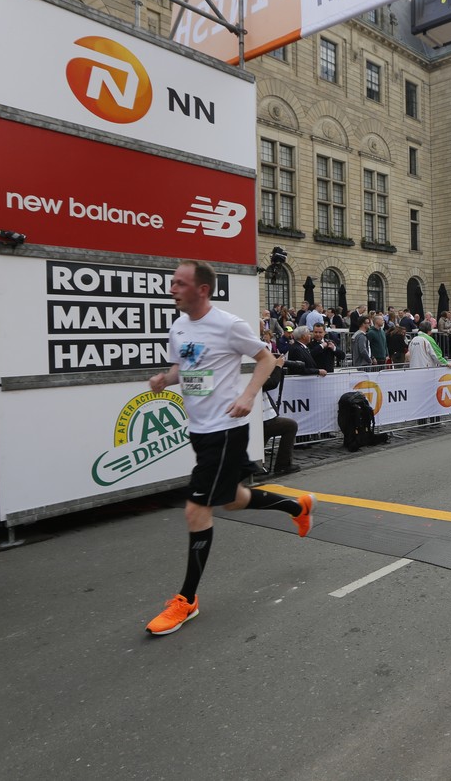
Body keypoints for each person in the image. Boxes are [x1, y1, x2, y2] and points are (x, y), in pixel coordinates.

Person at [144, 260, 314, 636]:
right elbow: (184, 368)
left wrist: (249, 396)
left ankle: (187, 599)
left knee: (196, 510)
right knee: (235, 500)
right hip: (201, 430)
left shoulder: (228, 325)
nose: (172, 288)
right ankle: (296, 507)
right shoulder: (178, 327)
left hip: (225, 429)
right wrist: (165, 379)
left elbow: (266, 358)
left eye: (180, 283)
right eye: (173, 282)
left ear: (202, 289)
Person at [259, 350, 300, 476]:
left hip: (263, 417)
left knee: (262, 437)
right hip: (262, 418)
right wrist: (277, 366)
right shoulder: (249, 369)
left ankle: (257, 463)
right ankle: (282, 465)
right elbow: (271, 383)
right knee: (290, 426)